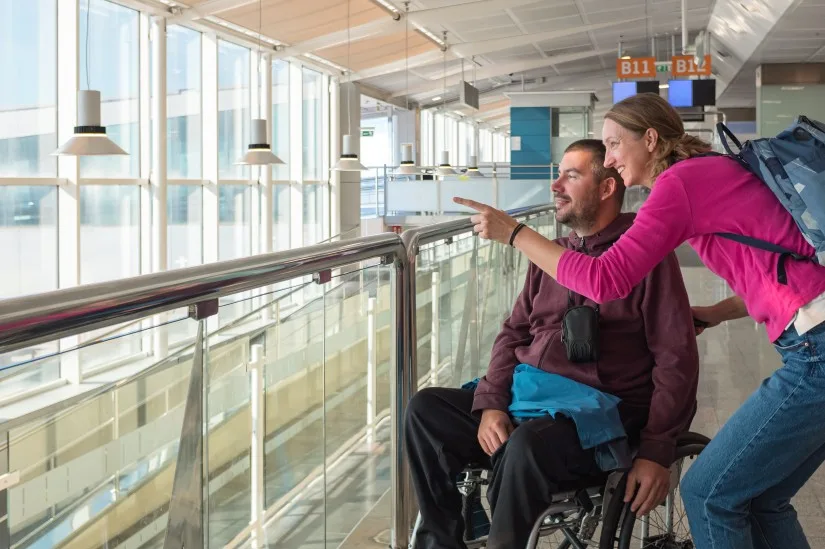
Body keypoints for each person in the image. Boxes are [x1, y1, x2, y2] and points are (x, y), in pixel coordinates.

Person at [454, 93, 825, 549]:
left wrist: (515, 234)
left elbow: (604, 279)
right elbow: (780, 271)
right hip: (814, 340)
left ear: (650, 140)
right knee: (764, 500)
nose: (609, 159)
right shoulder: (708, 170)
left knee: (708, 494)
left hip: (816, 352)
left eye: (614, 144)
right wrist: (715, 313)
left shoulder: (680, 183)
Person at [406, 139, 699, 549]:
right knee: (426, 410)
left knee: (527, 445)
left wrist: (656, 450)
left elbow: (676, 358)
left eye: (571, 176)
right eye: (557, 175)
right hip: (533, 400)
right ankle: (439, 542)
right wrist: (491, 403)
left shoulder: (645, 257)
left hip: (602, 415)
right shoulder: (551, 255)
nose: (556, 186)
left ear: (606, 188)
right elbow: (513, 334)